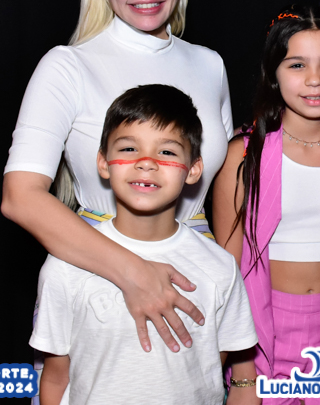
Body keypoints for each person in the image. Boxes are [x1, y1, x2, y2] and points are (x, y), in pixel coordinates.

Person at [3, 0, 233, 357]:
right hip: (97, 282)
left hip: (196, 286)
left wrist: (231, 294)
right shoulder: (67, 67)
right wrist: (135, 273)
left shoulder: (209, 65)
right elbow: (20, 197)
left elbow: (224, 193)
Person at [32, 85, 258, 405]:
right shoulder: (65, 267)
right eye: (128, 148)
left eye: (167, 152)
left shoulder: (219, 267)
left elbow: (229, 376)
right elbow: (56, 378)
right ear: (103, 163)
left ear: (193, 169)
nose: (146, 162)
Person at [212, 3, 320, 404]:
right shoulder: (242, 155)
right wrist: (243, 376)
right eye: (297, 65)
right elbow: (226, 276)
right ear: (274, 73)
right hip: (260, 336)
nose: (314, 79)